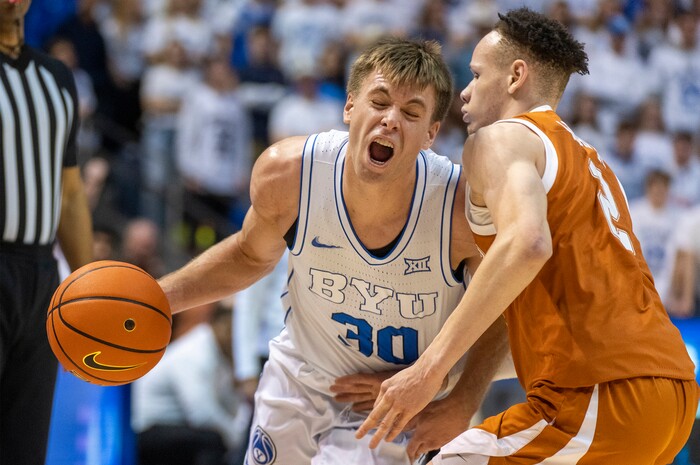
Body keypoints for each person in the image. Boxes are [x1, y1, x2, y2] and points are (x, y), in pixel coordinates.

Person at [358, 9, 699, 464]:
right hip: (669, 396)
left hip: (600, 392)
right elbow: (534, 313)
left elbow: (526, 244)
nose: (464, 89)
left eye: (476, 74)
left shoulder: (500, 139)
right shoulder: (588, 160)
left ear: (515, 76)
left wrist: (427, 370)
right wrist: (457, 389)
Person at [158, 37, 510, 464]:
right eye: (379, 102)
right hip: (301, 378)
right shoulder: (289, 173)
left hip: (395, 398)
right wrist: (157, 298)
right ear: (349, 108)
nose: (390, 121)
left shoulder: (460, 209)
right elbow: (250, 256)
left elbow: (500, 308)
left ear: (431, 134)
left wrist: (451, 390)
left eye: (411, 112)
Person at [0, 1, 93, 464]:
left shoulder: (56, 77)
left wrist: (92, 287)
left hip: (41, 274)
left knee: (25, 443)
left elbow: (71, 195)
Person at [132, 302, 251, 465]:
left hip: (178, 427)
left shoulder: (223, 356)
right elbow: (201, 415)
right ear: (220, 325)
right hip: (145, 431)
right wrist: (237, 439)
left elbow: (231, 408)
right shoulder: (193, 353)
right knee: (214, 440)